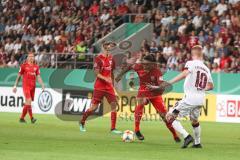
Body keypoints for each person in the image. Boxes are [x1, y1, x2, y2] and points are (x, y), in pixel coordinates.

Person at [148, 45, 214, 148]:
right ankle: (197, 143)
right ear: (201, 54)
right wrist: (199, 88)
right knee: (194, 121)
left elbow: (184, 74)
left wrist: (168, 83)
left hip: (190, 98)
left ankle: (187, 136)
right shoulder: (206, 69)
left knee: (169, 117)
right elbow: (211, 86)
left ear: (192, 54)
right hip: (200, 99)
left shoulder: (191, 63)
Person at [115, 54, 180, 142]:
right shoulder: (139, 66)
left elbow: (161, 86)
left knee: (164, 117)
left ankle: (175, 135)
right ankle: (137, 130)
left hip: (155, 93)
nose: (144, 66)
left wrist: (156, 87)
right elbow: (129, 67)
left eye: (147, 64)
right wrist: (120, 75)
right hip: (143, 89)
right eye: (144, 63)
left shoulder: (157, 72)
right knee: (141, 102)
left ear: (152, 64)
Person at [79, 42, 122, 134]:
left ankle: (113, 128)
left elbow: (111, 72)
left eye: (109, 47)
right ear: (103, 48)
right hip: (99, 86)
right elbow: (96, 73)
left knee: (114, 105)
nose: (108, 48)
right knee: (94, 107)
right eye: (106, 46)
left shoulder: (111, 59)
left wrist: (113, 84)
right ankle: (82, 122)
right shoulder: (98, 59)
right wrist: (106, 78)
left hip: (109, 87)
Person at [13, 53, 45, 123]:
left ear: (34, 58)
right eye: (30, 57)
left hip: (33, 87)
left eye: (32, 57)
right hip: (26, 86)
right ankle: (32, 118)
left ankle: (22, 118)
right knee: (29, 100)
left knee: (28, 102)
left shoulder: (36, 67)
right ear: (27, 58)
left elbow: (38, 77)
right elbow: (18, 76)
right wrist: (15, 86)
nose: (31, 58)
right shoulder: (23, 66)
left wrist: (42, 85)